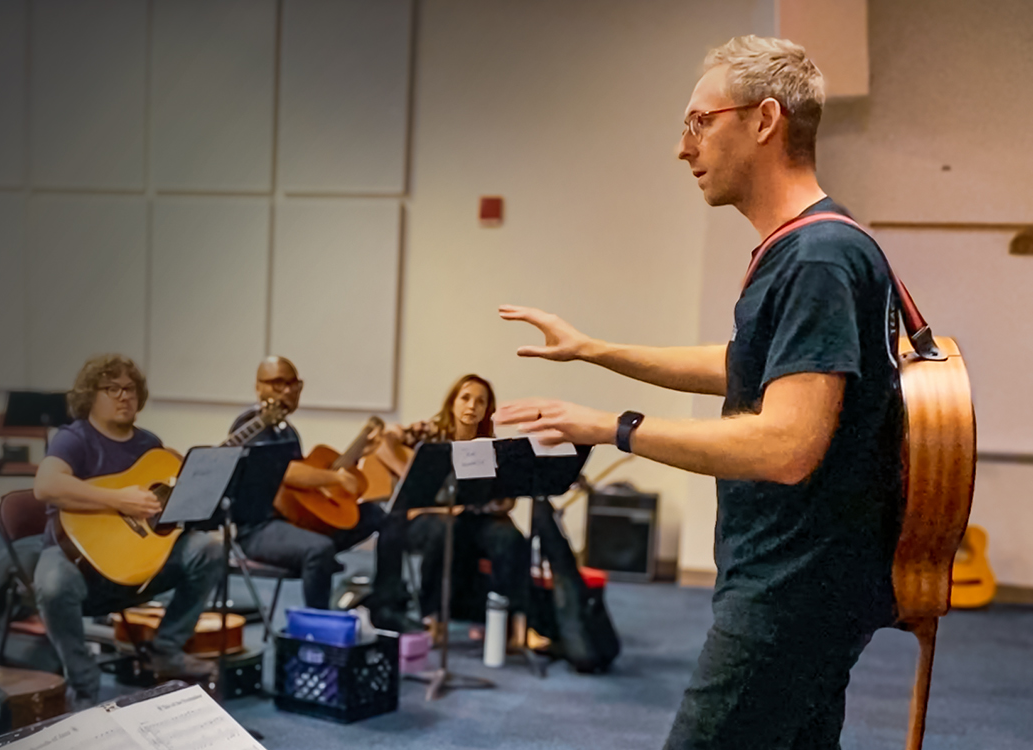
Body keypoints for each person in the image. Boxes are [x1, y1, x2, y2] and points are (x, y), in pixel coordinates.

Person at [493, 36, 902, 749]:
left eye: (700, 122)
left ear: (765, 120)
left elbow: (786, 445)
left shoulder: (818, 257)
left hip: (791, 589)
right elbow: (746, 366)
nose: (684, 148)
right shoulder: (810, 247)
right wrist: (593, 349)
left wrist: (612, 426)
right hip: (805, 583)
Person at [31, 354, 220, 708]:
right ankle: (84, 683)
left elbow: (165, 508)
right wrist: (118, 499)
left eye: (130, 389)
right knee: (53, 585)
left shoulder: (149, 444)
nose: (124, 396)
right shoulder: (74, 438)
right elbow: (46, 485)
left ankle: (166, 650)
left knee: (209, 548)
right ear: (91, 394)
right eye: (112, 388)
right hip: (74, 556)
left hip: (136, 559)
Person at [226, 356, 422, 633]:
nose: (287, 391)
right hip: (258, 530)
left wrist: (355, 457)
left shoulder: (287, 431)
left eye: (293, 384)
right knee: (318, 549)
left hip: (297, 522)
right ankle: (318, 632)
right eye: (277, 383)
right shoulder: (251, 426)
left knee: (383, 516)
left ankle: (385, 605)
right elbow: (285, 473)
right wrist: (335, 477)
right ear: (259, 387)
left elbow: (300, 490)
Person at [388, 375, 529, 630]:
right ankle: (432, 616)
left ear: (487, 410)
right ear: (452, 403)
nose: (472, 406)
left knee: (509, 537)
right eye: (465, 398)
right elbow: (383, 446)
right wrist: (406, 473)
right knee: (444, 528)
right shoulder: (429, 436)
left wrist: (503, 502)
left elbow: (504, 499)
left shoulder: (491, 447)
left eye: (480, 401)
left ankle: (513, 621)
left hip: (471, 517)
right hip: (429, 520)